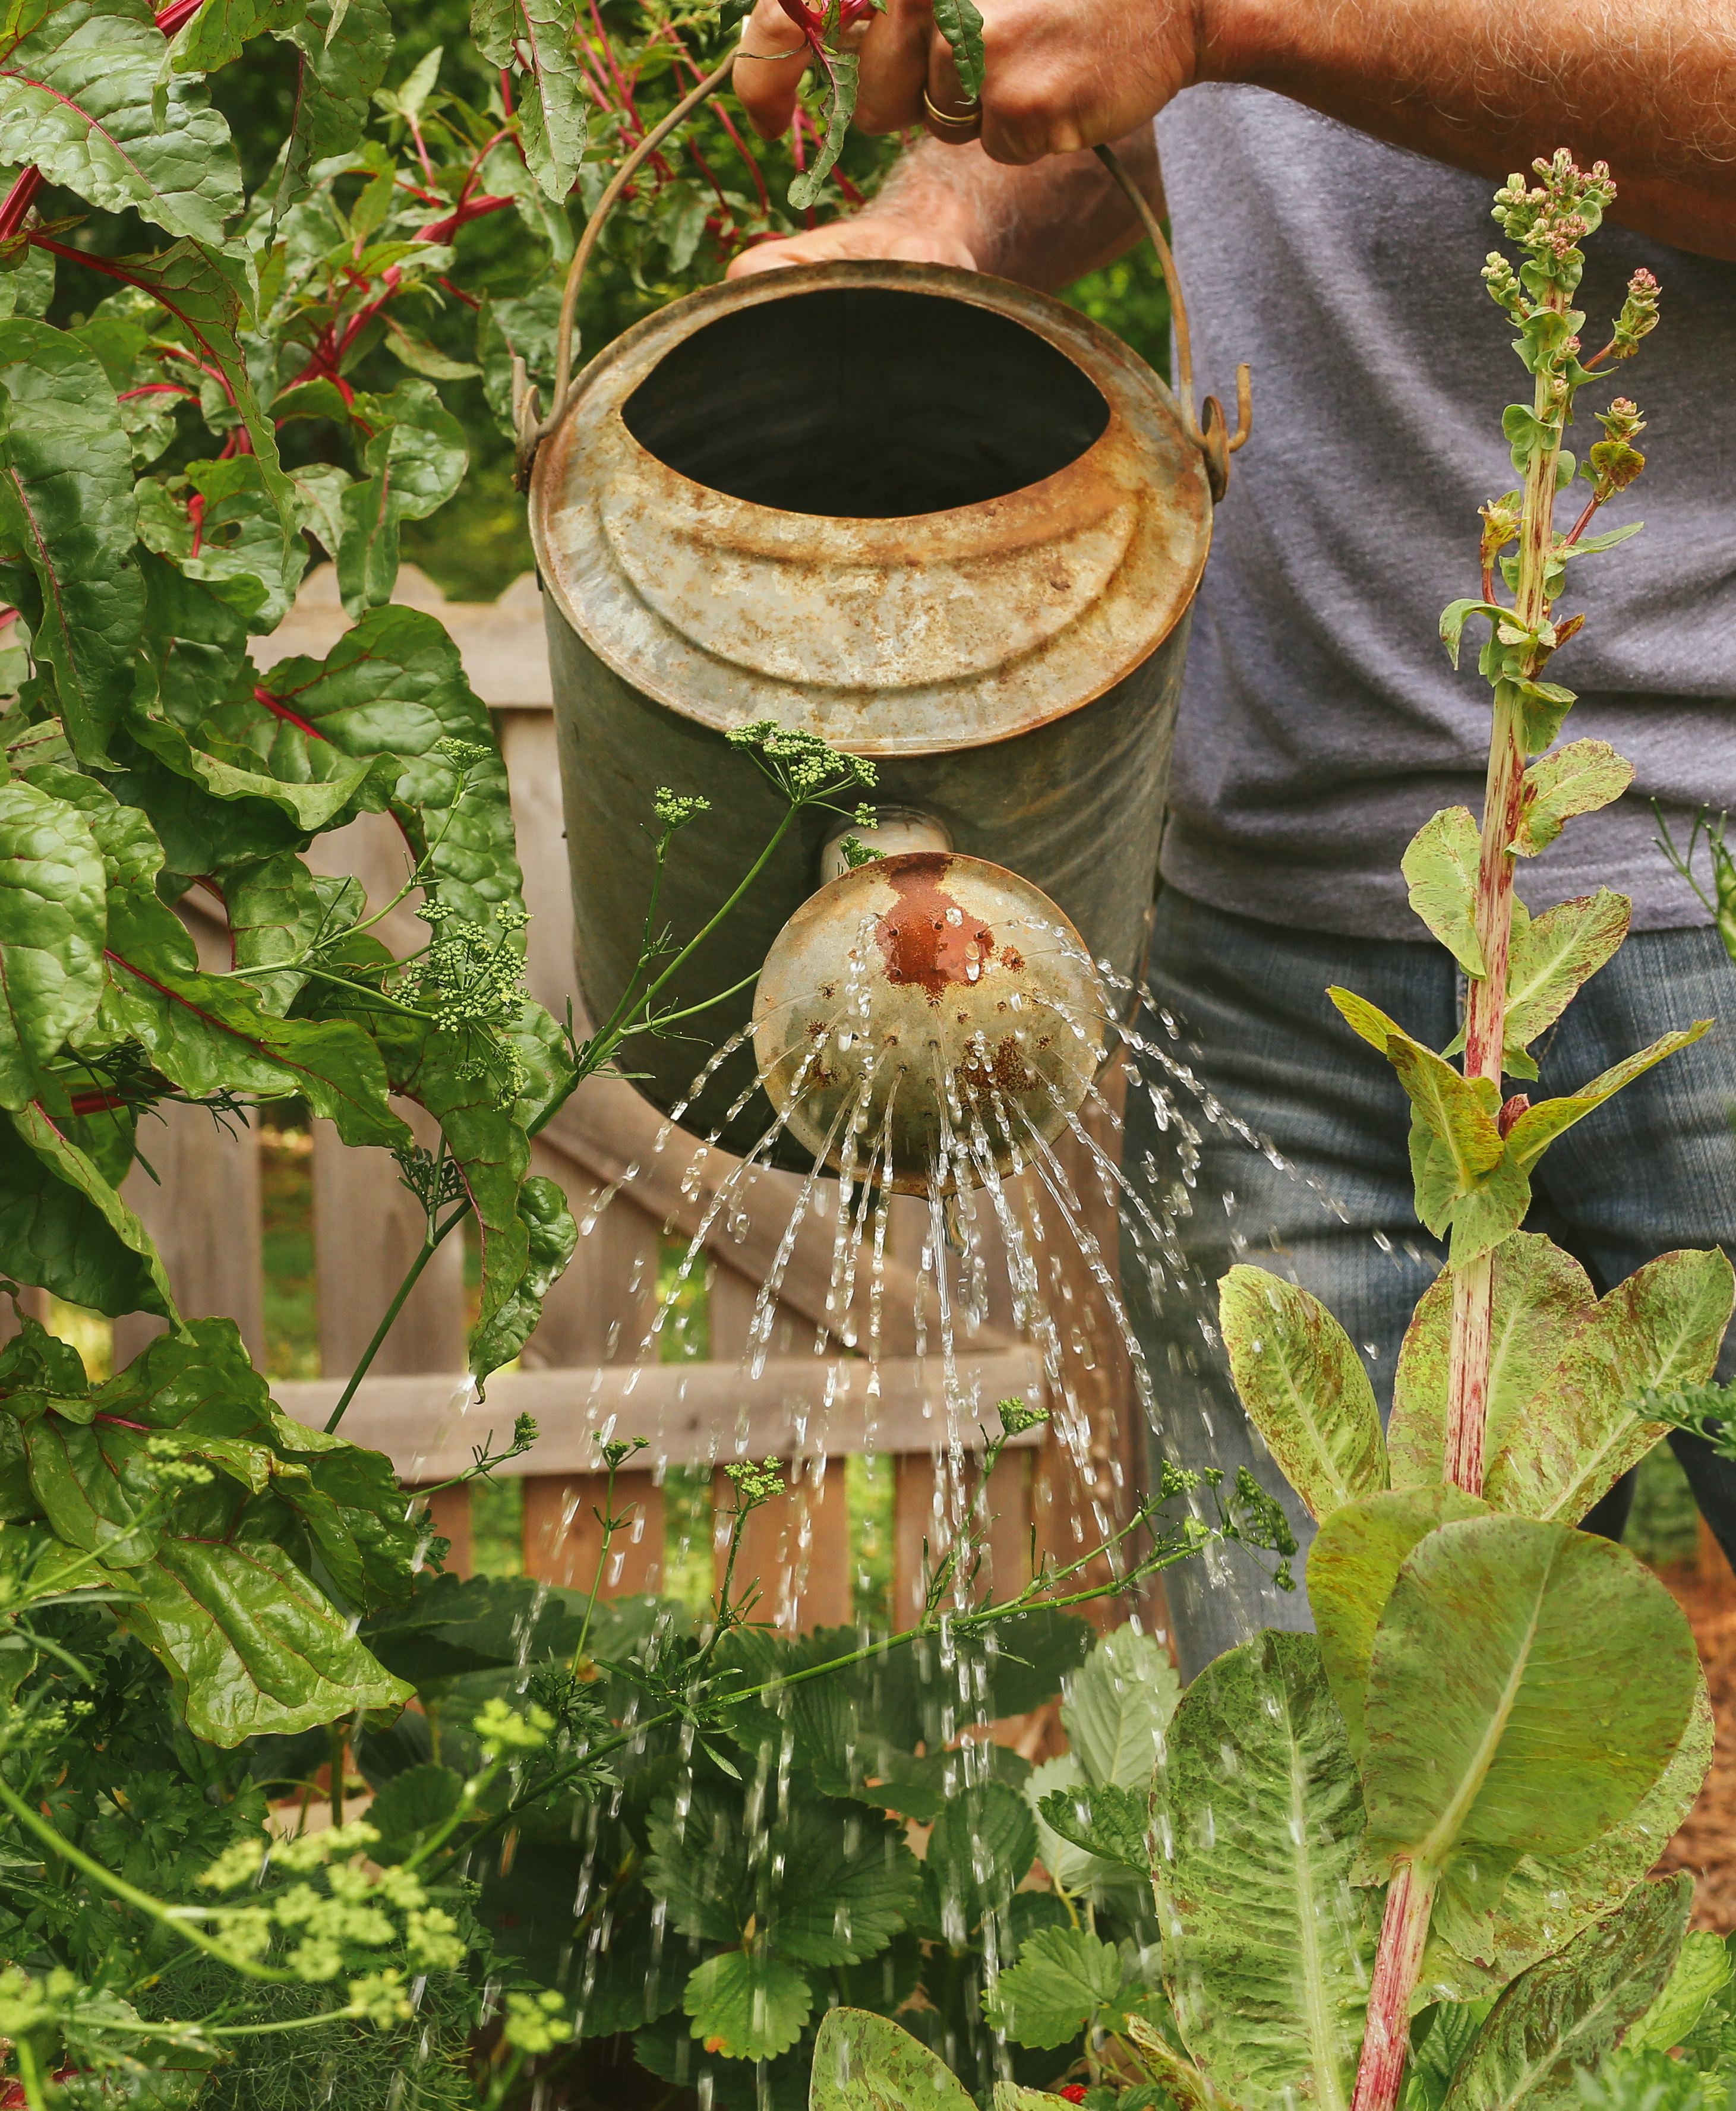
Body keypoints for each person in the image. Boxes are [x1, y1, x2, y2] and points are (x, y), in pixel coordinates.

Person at [722, 0, 1736, 1680]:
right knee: (1301, 1844)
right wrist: (949, 213)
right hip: (1269, 929)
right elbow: (1174, 104)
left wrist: (1212, 18)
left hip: (1709, 877)